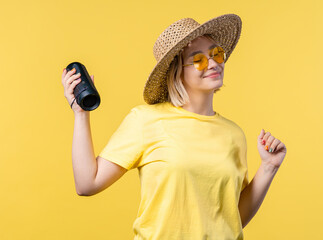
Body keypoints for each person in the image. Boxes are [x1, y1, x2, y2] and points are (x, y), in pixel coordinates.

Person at [61, 13, 287, 240]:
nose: (213, 63)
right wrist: (81, 114)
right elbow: (87, 184)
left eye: (216, 54)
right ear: (178, 71)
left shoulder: (234, 134)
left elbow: (233, 217)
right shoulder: (145, 120)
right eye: (198, 59)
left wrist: (268, 167)